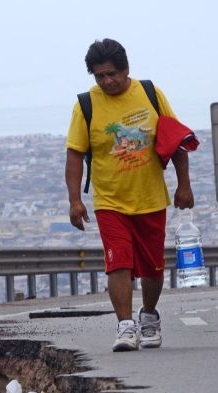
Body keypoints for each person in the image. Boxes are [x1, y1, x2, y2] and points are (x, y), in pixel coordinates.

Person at [65, 38, 194, 351]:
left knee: (153, 267)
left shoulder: (150, 93)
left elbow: (175, 139)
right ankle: (124, 325)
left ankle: (148, 315)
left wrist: (184, 184)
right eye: (100, 76)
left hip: (150, 198)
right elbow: (74, 154)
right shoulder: (86, 104)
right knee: (118, 261)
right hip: (110, 201)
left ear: (125, 70)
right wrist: (75, 200)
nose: (107, 81)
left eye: (111, 74)